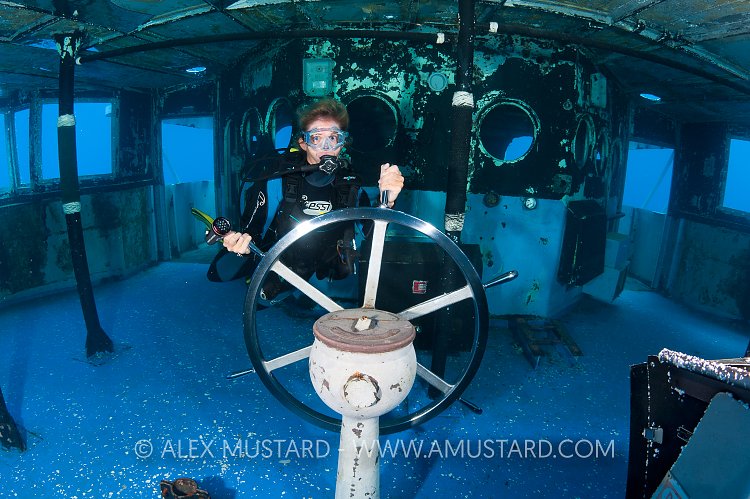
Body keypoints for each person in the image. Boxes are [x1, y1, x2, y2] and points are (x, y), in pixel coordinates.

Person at [207, 98, 404, 304]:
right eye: (317, 138)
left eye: (334, 137)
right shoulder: (278, 180)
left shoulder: (350, 185)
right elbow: (252, 230)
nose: (326, 147)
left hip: (324, 265)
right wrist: (241, 245)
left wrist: (387, 201)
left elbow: (369, 233)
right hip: (281, 260)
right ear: (303, 142)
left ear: (343, 142)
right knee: (263, 299)